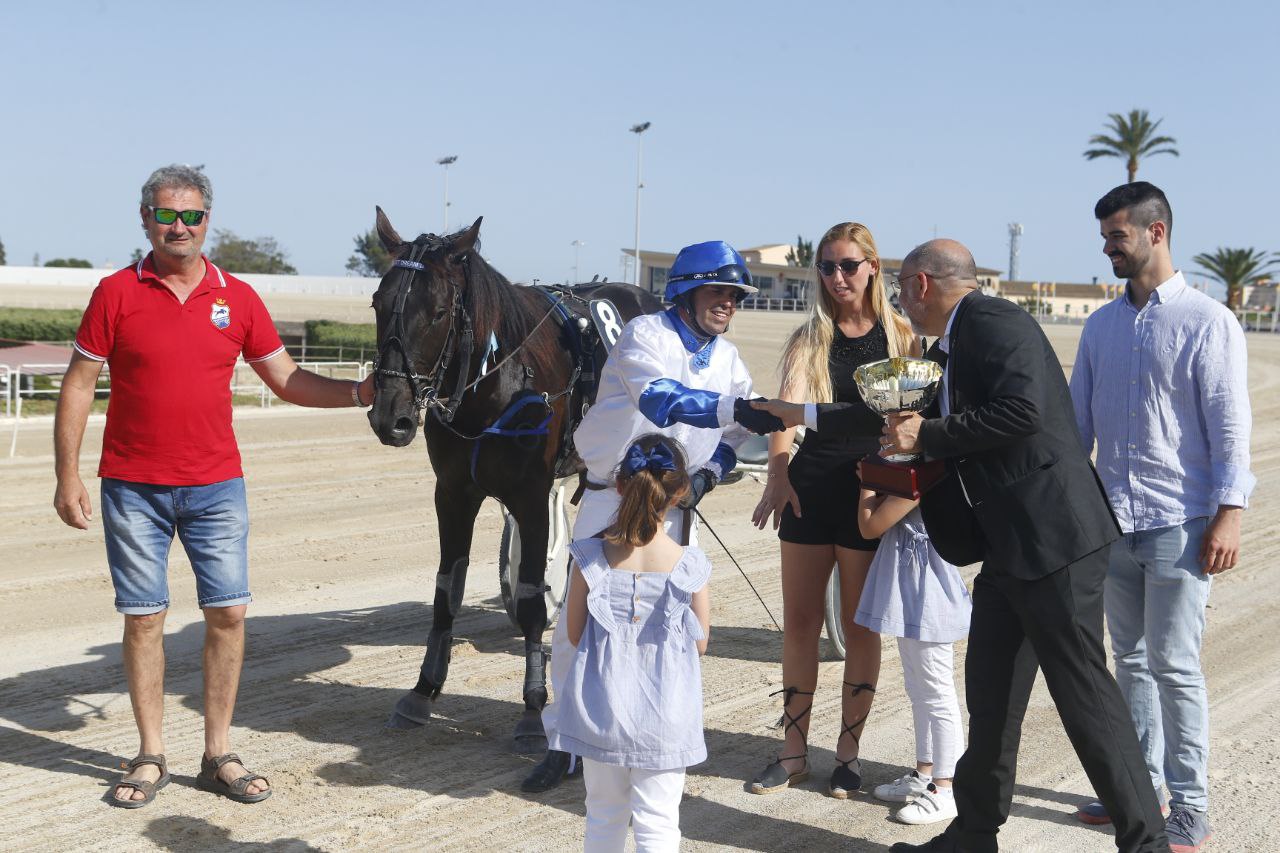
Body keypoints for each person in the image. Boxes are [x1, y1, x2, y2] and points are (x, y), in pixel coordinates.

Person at [752, 238, 1168, 852]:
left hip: (1054, 544)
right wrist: (797, 412)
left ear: (922, 284)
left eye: (900, 287)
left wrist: (931, 434)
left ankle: (1147, 843)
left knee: (1087, 700)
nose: (896, 299)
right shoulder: (943, 349)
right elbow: (888, 417)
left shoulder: (997, 323)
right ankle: (974, 834)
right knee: (991, 699)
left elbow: (1022, 411)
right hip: (1007, 551)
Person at [52, 164, 377, 808]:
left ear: (207, 221)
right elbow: (79, 384)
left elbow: (285, 379)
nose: (180, 226)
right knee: (144, 620)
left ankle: (217, 753)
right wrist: (67, 475)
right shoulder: (115, 292)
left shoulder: (240, 298)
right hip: (131, 487)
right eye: (168, 215)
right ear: (145, 219)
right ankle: (150, 756)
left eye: (192, 215)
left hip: (216, 488)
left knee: (228, 613)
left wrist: (358, 394)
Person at [522, 239, 781, 792]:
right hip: (610, 499)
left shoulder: (729, 359)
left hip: (673, 508)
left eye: (736, 295)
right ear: (685, 292)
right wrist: (743, 409)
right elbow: (660, 401)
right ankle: (563, 741)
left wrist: (708, 476)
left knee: (665, 629)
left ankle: (646, 733)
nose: (730, 303)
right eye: (720, 291)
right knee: (580, 628)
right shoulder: (647, 336)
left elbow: (738, 435)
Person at [1069, 182, 1253, 853]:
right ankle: (1140, 790)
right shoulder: (1100, 326)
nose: (1107, 247)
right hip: (1113, 523)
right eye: (1106, 237)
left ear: (1156, 232)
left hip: (1181, 523)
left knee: (1174, 664)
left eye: (1116, 235)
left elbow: (1230, 426)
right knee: (1133, 663)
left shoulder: (1208, 321)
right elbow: (1076, 428)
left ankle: (1192, 806)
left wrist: (1229, 513)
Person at [747, 222, 919, 798]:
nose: (837, 277)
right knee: (799, 624)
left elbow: (906, 423)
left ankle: (848, 754)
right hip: (810, 485)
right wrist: (777, 472)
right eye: (826, 267)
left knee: (858, 625)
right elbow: (784, 414)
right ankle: (792, 753)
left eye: (847, 265)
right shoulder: (810, 337)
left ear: (873, 266)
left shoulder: (902, 337)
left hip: (870, 492)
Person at [549, 434, 712, 852]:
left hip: (601, 711)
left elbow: (573, 633)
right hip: (665, 717)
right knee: (658, 823)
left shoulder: (588, 558)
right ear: (678, 495)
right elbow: (700, 643)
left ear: (619, 486)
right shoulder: (690, 565)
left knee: (603, 817)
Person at [855, 460, 970, 827]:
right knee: (918, 687)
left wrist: (867, 482)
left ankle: (947, 787)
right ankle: (925, 773)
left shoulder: (924, 472)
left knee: (936, 691)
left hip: (928, 592)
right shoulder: (914, 471)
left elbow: (869, 525)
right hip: (913, 588)